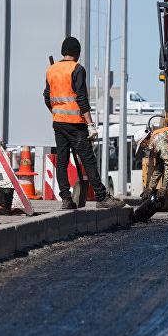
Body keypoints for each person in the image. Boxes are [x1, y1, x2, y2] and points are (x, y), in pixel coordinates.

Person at [44, 36, 124, 210]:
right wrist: (90, 125)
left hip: (58, 123)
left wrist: (57, 113)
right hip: (76, 124)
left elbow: (46, 97)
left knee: (62, 161)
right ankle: (102, 197)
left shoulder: (51, 70)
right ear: (77, 53)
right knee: (88, 160)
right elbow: (82, 99)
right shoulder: (77, 69)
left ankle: (66, 199)